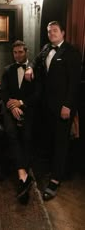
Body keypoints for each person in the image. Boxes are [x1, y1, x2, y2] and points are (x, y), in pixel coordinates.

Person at [25, 21, 81, 201]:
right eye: (49, 32)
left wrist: (68, 106)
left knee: (61, 143)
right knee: (49, 140)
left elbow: (74, 83)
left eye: (55, 31)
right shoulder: (46, 48)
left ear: (63, 33)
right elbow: (36, 60)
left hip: (63, 107)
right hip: (47, 106)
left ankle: (56, 180)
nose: (51, 34)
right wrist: (30, 67)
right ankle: (51, 171)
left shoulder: (71, 52)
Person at [1, 40, 41, 202]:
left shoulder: (34, 70)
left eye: (20, 52)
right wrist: (12, 107)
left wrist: (22, 104)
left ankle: (23, 175)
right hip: (10, 110)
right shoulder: (7, 70)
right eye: (15, 52)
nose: (17, 55)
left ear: (26, 52)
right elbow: (3, 92)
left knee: (27, 136)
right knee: (11, 133)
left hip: (28, 109)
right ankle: (22, 175)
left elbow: (38, 93)